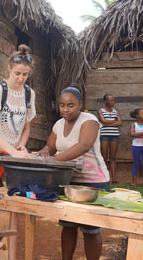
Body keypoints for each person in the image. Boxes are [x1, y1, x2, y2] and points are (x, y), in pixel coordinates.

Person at [38, 84, 110, 260]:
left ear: (80, 104)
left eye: (71, 105)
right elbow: (51, 145)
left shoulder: (89, 120)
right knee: (68, 225)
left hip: (93, 182)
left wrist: (53, 160)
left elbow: (83, 146)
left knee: (90, 228)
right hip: (68, 180)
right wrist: (46, 151)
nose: (65, 109)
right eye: (62, 105)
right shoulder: (58, 124)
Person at [0, 44, 36, 259]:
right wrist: (11, 150)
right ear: (9, 69)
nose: (21, 78)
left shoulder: (30, 94)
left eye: (25, 75)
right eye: (17, 74)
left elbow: (27, 125)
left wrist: (21, 145)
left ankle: (11, 255)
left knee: (15, 202)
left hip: (16, 152)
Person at [98, 94, 122, 184]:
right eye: (111, 100)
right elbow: (103, 121)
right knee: (104, 157)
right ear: (105, 101)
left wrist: (107, 123)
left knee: (113, 157)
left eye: (113, 100)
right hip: (104, 135)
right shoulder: (100, 111)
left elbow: (120, 122)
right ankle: (103, 178)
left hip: (114, 135)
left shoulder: (116, 111)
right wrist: (115, 121)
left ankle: (114, 179)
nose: (113, 102)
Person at [130, 108, 143, 189]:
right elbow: (132, 134)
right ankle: (134, 183)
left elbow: (135, 134)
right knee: (136, 163)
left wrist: (138, 134)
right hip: (136, 146)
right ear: (137, 116)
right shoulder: (134, 124)